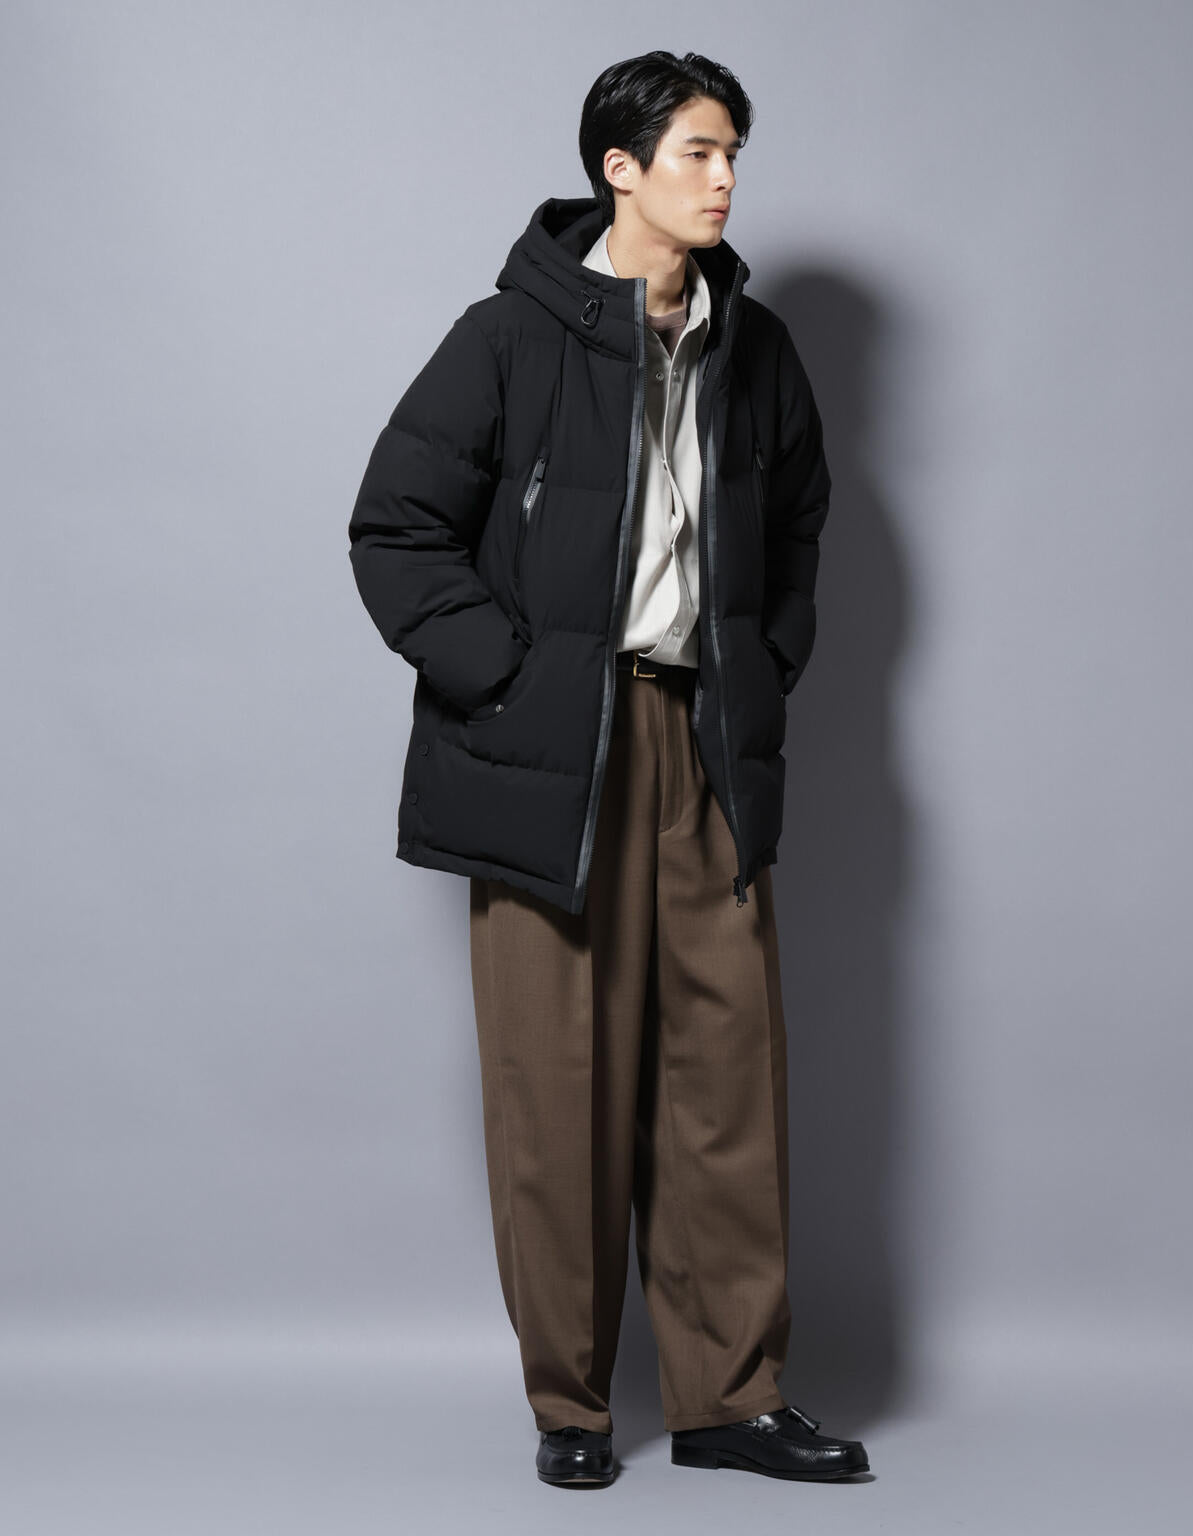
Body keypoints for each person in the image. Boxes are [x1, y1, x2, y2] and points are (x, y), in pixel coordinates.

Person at [347, 49, 869, 1488]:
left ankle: (728, 1399)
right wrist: (510, 681)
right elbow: (395, 527)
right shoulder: (507, 339)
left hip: (704, 742)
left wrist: (764, 660)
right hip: (548, 753)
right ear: (619, 170)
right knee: (555, 1081)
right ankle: (571, 1407)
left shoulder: (756, 349)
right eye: (699, 151)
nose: (727, 178)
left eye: (735, 152)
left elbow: (801, 524)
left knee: (724, 1082)